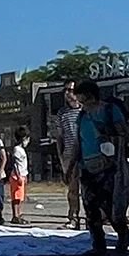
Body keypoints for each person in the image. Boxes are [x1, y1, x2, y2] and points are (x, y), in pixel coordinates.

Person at [74, 78, 129, 256]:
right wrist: (72, 165)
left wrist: (105, 133)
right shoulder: (82, 116)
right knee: (90, 207)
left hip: (108, 165)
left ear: (91, 96)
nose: (81, 104)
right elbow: (78, 142)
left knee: (110, 205)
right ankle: (98, 245)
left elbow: (123, 132)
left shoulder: (109, 110)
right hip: (87, 165)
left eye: (82, 100)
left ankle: (122, 236)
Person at [57, 80, 83, 230]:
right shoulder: (62, 113)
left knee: (88, 189)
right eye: (65, 90)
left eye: (70, 90)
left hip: (85, 153)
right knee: (72, 189)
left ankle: (93, 219)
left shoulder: (85, 111)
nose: (67, 93)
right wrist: (61, 156)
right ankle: (73, 218)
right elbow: (59, 137)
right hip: (68, 154)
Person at [6, 132, 30, 225]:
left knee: (20, 197)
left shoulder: (22, 149)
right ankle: (15, 215)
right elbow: (15, 164)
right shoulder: (17, 149)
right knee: (16, 197)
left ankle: (18, 214)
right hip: (17, 176)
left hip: (22, 174)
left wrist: (25, 175)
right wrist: (18, 175)